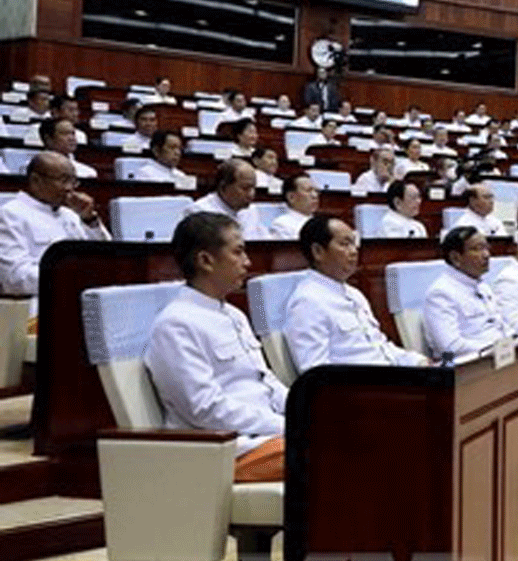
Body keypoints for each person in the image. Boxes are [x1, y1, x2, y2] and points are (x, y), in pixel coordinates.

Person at [144, 213, 285, 482]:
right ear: (205, 260)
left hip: (268, 435)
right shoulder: (176, 324)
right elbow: (205, 409)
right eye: (238, 252)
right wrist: (284, 426)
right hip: (229, 450)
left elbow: (267, 383)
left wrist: (306, 411)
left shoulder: (234, 315)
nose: (248, 262)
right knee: (337, 449)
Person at [285, 215, 425, 371]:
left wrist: (418, 361)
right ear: (318, 252)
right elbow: (316, 374)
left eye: (354, 243)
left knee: (448, 371)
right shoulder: (307, 302)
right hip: (361, 389)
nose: (354, 251)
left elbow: (381, 348)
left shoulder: (354, 294)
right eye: (345, 244)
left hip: (391, 377)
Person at [0, 152, 111, 295]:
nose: (70, 188)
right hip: (37, 303)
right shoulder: (9, 214)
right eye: (64, 180)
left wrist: (89, 220)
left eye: (73, 181)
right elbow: (14, 279)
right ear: (36, 180)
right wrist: (72, 275)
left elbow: (105, 254)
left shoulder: (70, 214)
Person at [423, 226, 507, 362]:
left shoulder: (483, 287)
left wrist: (514, 342)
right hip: (470, 366)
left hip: (498, 357)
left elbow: (501, 325)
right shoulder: (440, 293)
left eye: (486, 248)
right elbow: (450, 346)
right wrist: (495, 348)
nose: (486, 255)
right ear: (456, 257)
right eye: (477, 249)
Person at [184, 159, 269, 240]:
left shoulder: (252, 210)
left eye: (253, 188)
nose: (251, 194)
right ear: (223, 187)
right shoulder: (199, 212)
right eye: (245, 188)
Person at [269, 172, 319, 241]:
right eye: (308, 191)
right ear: (291, 197)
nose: (315, 195)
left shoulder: (320, 221)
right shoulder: (282, 225)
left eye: (316, 191)